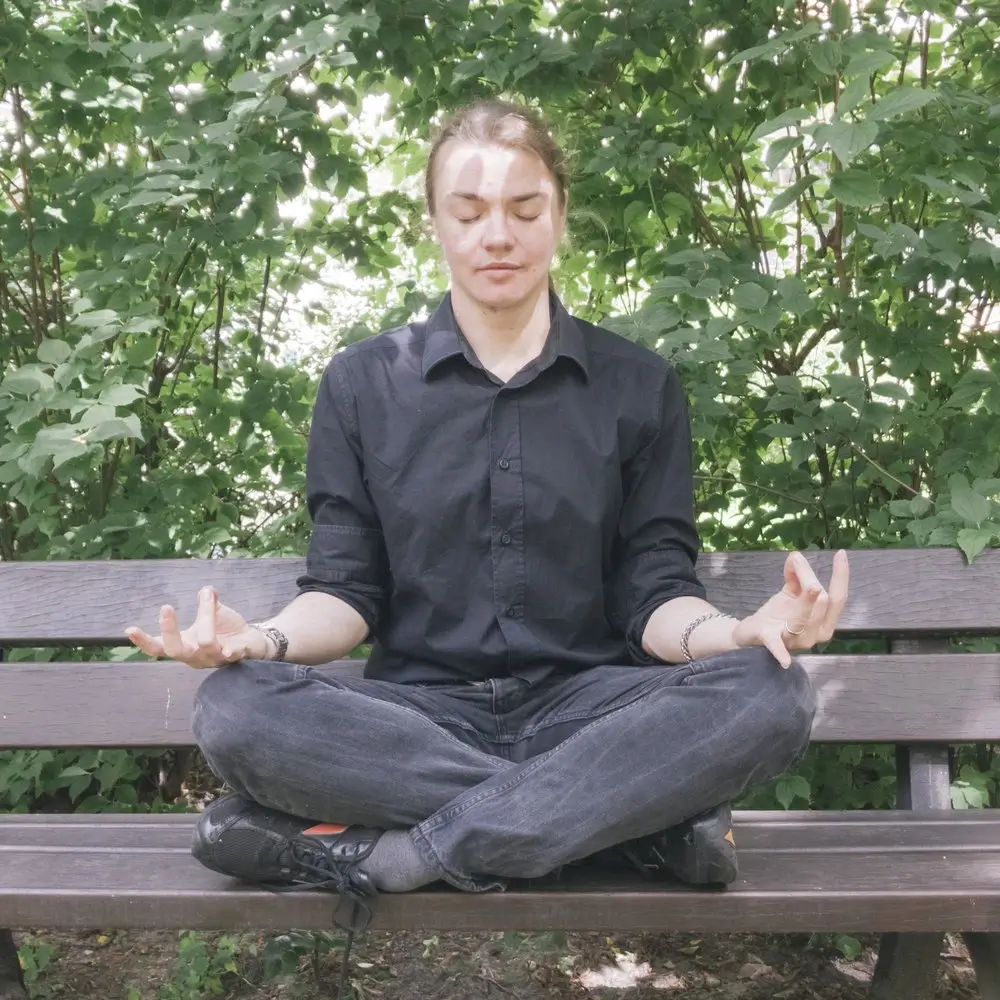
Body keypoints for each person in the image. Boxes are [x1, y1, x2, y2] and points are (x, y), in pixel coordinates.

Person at [127, 98, 848, 958]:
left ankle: (411, 854)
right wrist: (265, 642)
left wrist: (741, 632)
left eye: (524, 209)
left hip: (591, 712)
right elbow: (345, 593)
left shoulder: (638, 385)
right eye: (468, 213)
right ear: (434, 223)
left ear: (561, 216)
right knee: (235, 708)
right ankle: (631, 828)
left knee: (772, 692)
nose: (497, 235)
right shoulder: (362, 384)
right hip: (414, 721)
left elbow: (656, 592)